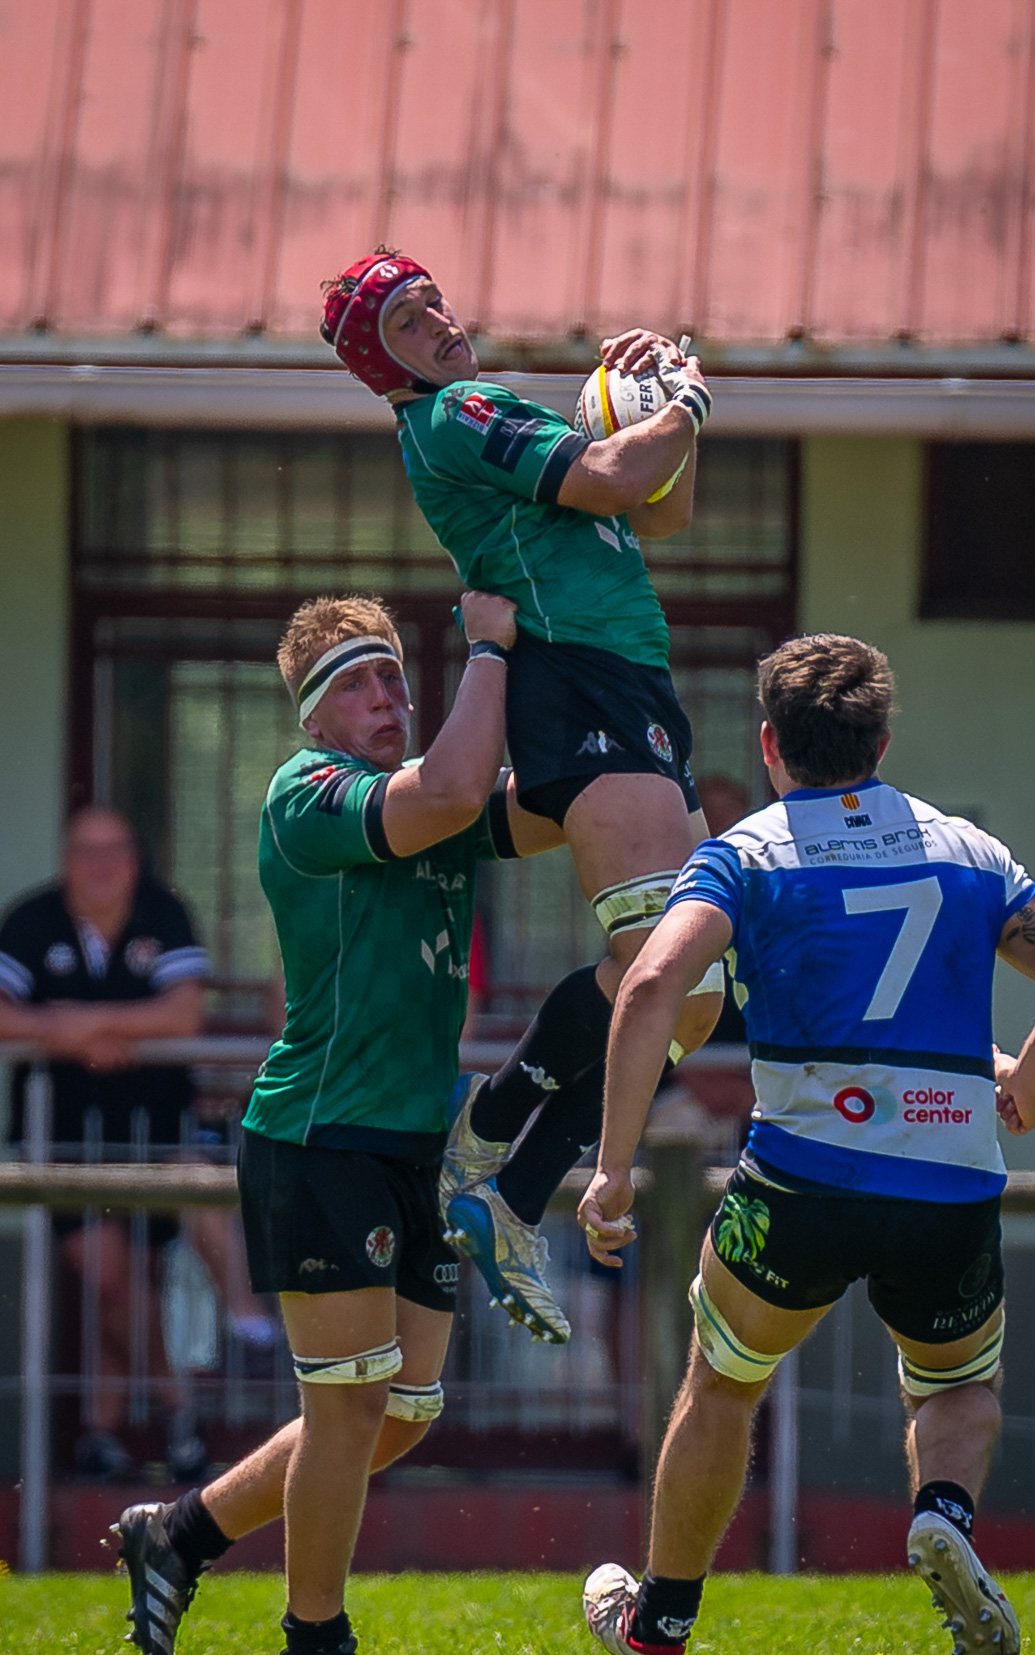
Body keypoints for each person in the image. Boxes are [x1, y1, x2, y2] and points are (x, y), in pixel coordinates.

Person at [576, 633, 1035, 1655]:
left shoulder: (750, 852)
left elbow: (646, 990)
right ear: (878, 738)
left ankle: (659, 1630)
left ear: (770, 745)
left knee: (722, 1380)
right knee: (958, 1388)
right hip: (948, 1180)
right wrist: (1030, 1082)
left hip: (803, 1178)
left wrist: (610, 1166)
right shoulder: (967, 852)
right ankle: (941, 1515)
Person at [112, 589, 566, 1655]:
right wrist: (492, 648)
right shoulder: (306, 792)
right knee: (350, 1402)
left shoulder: (432, 797)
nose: (385, 698)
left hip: (410, 1145)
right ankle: (313, 1642)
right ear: (312, 718)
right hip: (317, 1136)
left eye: (393, 679)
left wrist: (614, 723)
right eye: (356, 684)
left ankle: (179, 1534)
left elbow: (547, 810)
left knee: (400, 1414)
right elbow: (459, 785)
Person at [319, 250, 724, 1342]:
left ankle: (505, 1181)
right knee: (660, 958)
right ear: (382, 364)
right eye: (407, 321)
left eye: (432, 302)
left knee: (694, 991)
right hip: (575, 676)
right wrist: (681, 399)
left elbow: (659, 510)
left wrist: (655, 398)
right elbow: (609, 478)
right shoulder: (454, 411)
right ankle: (490, 1142)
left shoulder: (474, 409)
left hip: (626, 678)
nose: (439, 323)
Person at [0, 806, 221, 1479]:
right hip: (63, 1142)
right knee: (108, 1276)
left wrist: (69, 1021)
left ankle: (102, 1432)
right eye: (86, 850)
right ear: (64, 858)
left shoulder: (163, 914)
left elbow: (185, 1013)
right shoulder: (32, 918)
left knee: (133, 1280)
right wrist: (91, 1032)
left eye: (114, 851)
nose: (101, 866)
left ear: (134, 860)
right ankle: (180, 1408)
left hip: (156, 1137)